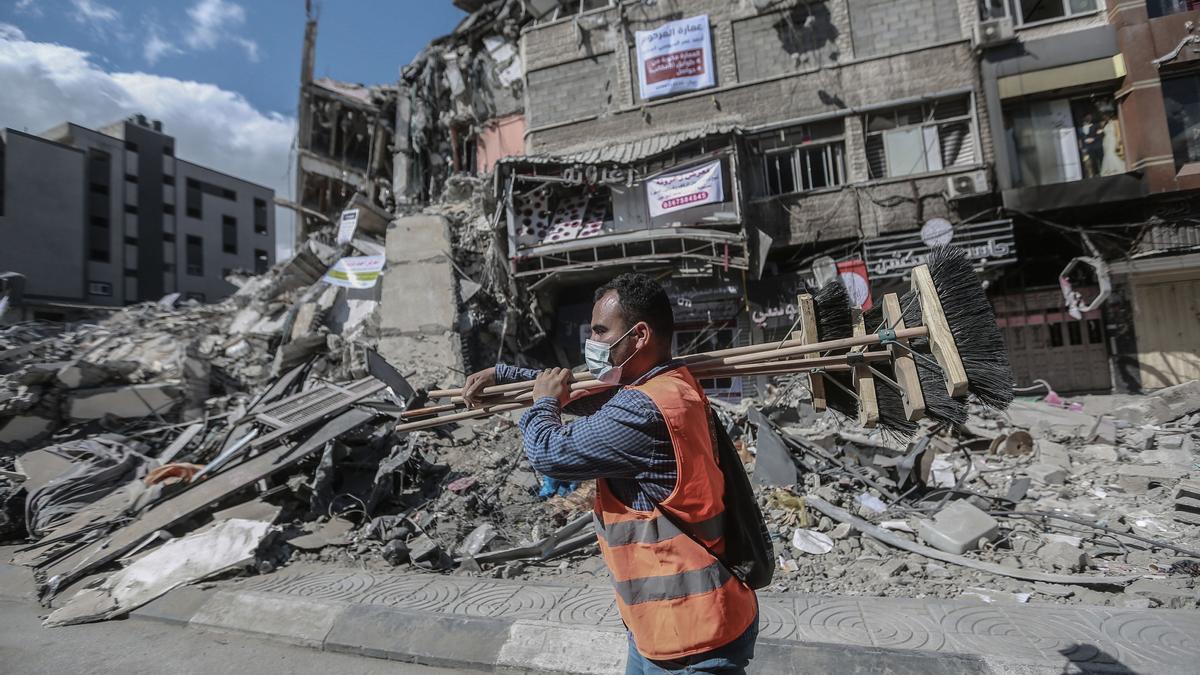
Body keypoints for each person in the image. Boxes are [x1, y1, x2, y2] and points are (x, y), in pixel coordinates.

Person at [462, 273, 759, 674]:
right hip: (661, 627)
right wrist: (504, 376)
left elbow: (549, 453)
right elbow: (587, 393)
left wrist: (543, 405)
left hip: (692, 634)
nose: (593, 343)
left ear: (638, 335)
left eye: (601, 332)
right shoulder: (668, 385)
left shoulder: (642, 410)